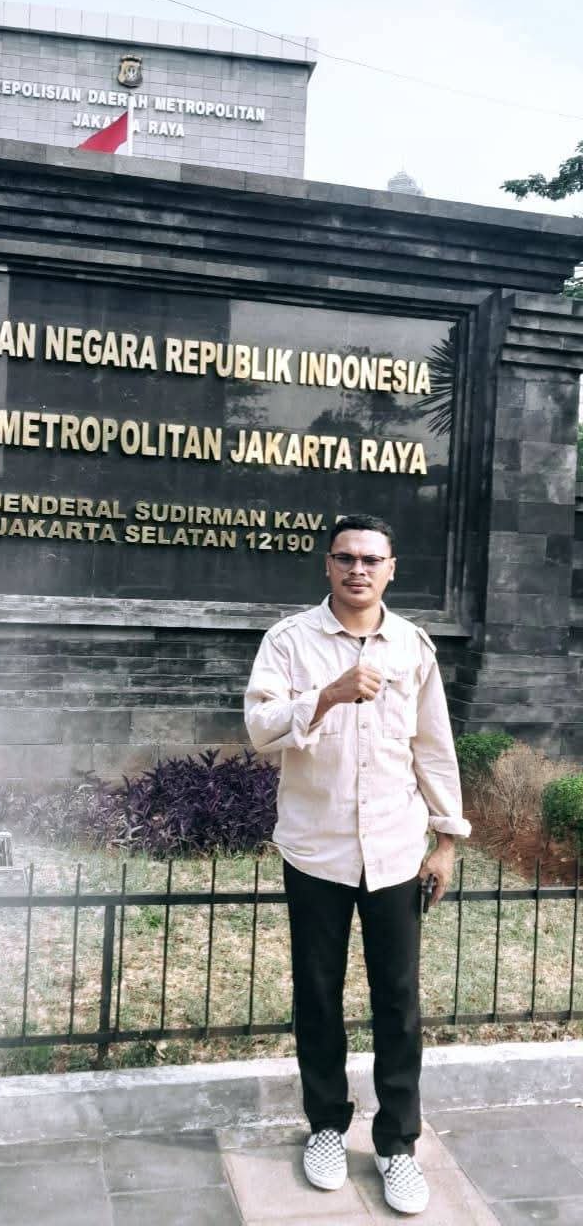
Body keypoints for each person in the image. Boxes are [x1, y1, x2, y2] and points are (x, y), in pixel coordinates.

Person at [244, 513, 470, 1216]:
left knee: (398, 1002)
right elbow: (259, 729)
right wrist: (328, 694)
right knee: (318, 994)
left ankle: (397, 1144)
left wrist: (446, 840)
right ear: (327, 565)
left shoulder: (414, 647)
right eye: (345, 557)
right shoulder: (289, 641)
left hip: (397, 850)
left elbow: (433, 747)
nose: (358, 570)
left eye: (372, 559)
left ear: (391, 569)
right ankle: (326, 1128)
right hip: (317, 850)